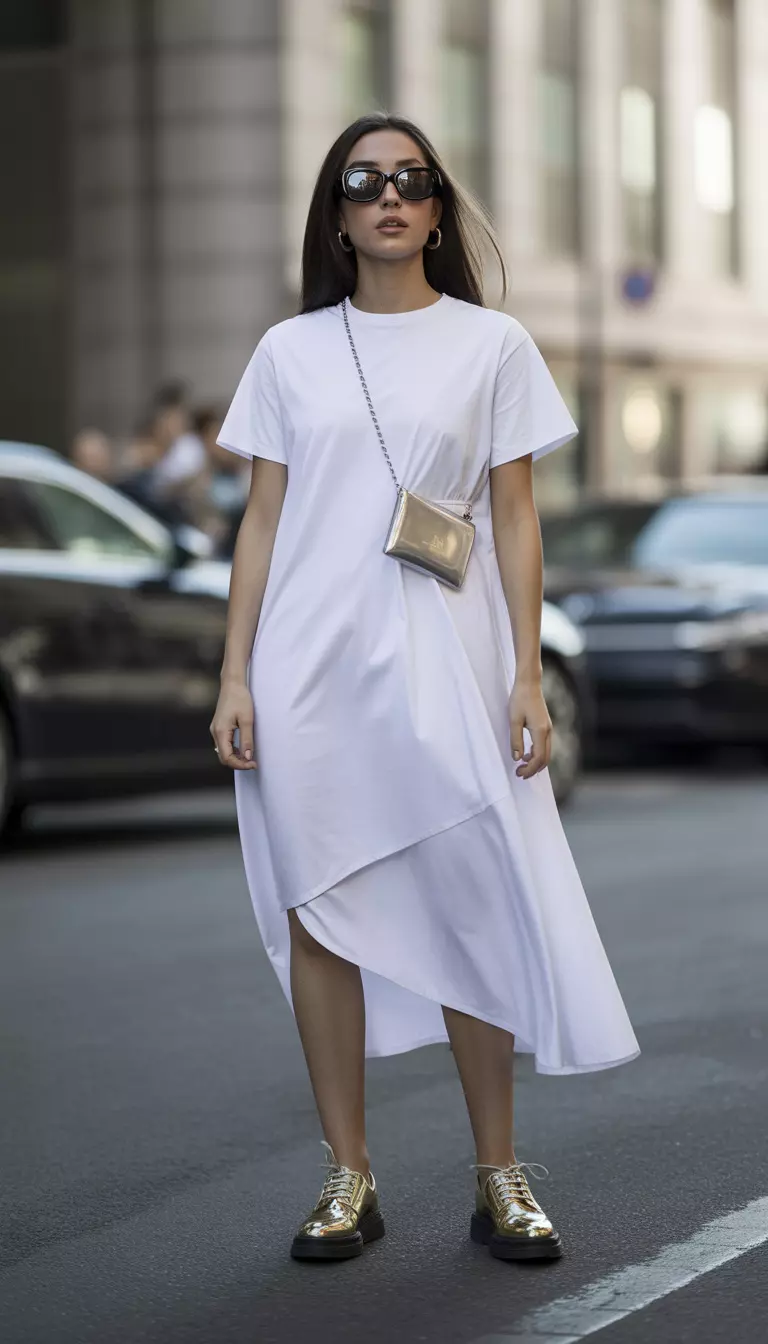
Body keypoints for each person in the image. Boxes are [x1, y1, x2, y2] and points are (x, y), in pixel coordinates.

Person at [210, 113, 639, 1265]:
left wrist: (524, 677)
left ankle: (500, 1174)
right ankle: (348, 1176)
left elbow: (512, 517)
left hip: (446, 659)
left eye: (412, 181)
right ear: (338, 216)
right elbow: (263, 521)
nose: (389, 198)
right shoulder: (288, 352)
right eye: (364, 182)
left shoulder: (493, 344)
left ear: (439, 209)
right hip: (307, 670)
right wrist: (236, 673)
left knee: (474, 894)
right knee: (320, 910)